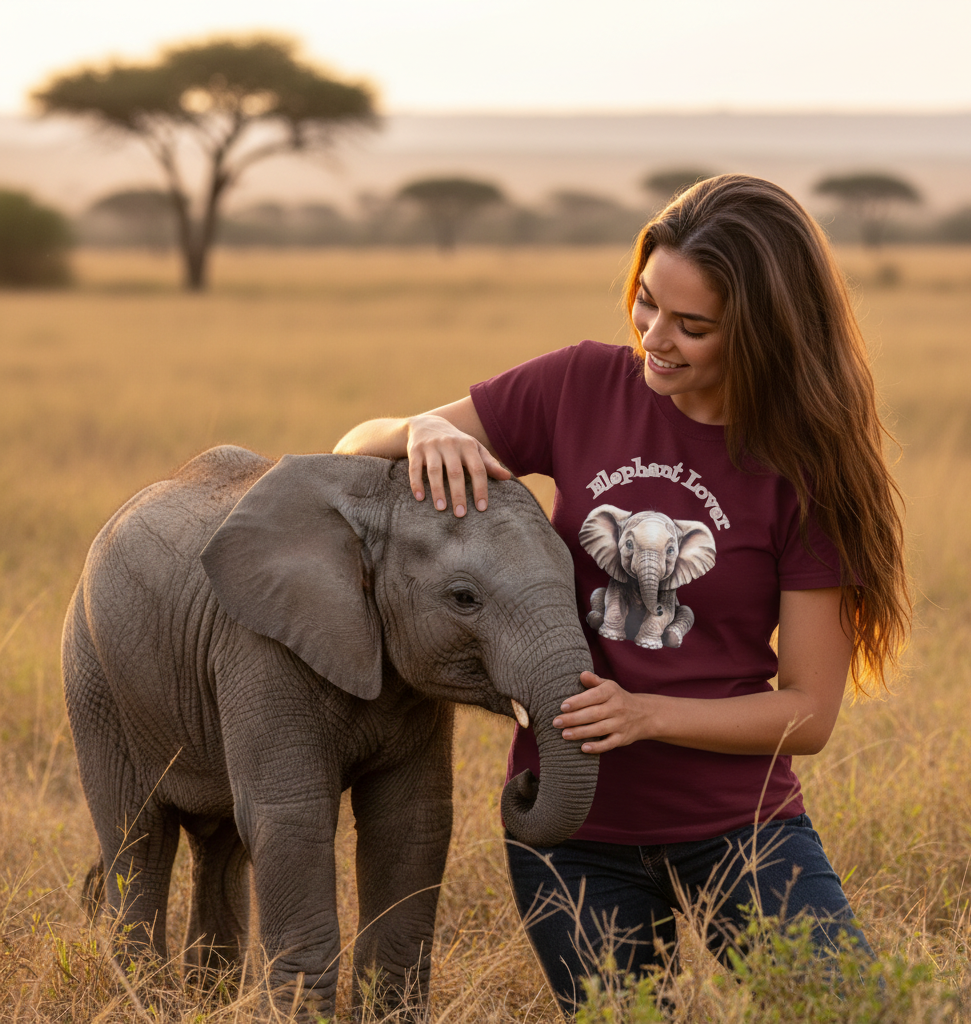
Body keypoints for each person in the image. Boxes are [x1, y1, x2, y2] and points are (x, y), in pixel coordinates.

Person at [335, 173, 910, 1015]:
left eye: (693, 326)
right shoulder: (578, 387)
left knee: (860, 1013)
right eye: (646, 303)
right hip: (572, 835)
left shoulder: (801, 472)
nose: (655, 338)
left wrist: (648, 714)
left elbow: (809, 714)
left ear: (764, 331)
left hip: (743, 833)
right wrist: (415, 426)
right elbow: (352, 454)